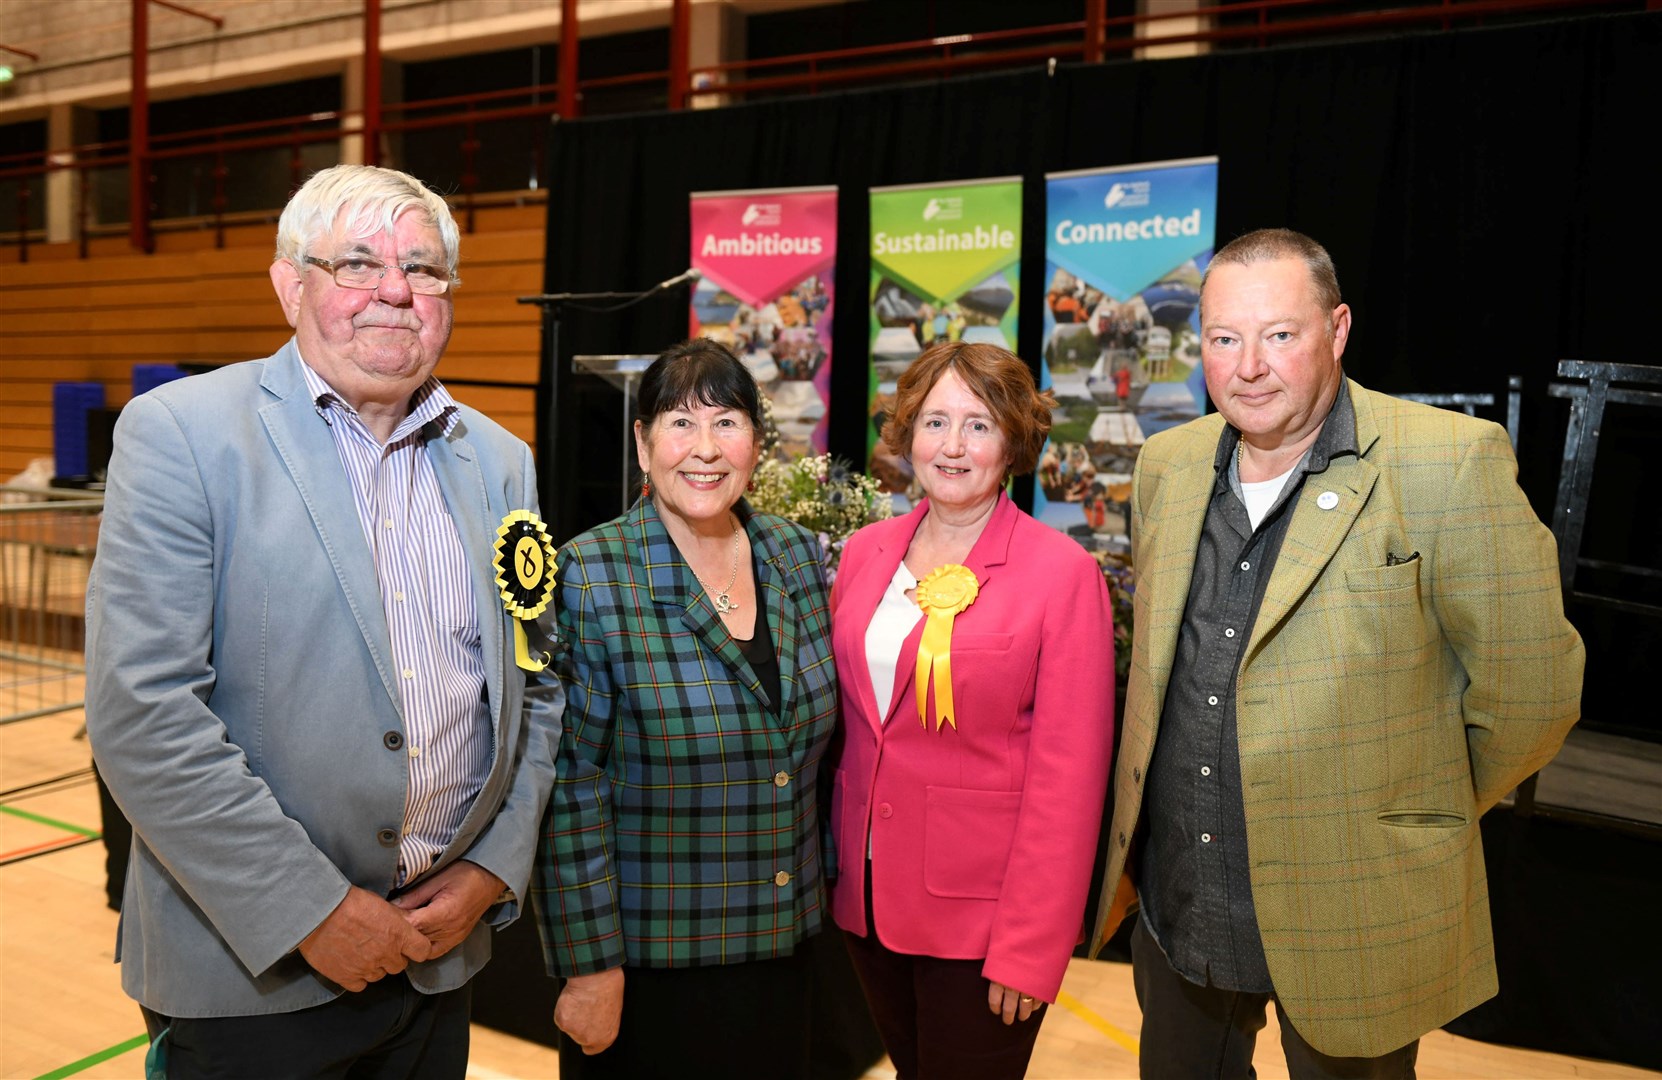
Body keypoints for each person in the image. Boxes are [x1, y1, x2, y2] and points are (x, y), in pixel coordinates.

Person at [84, 163, 564, 1077]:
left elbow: (535, 689)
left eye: (423, 270)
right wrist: (309, 910)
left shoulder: (502, 463)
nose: (394, 290)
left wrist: (493, 869)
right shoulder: (182, 433)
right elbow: (142, 713)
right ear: (288, 283)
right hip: (254, 973)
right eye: (355, 262)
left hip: (438, 961)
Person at [1089, 228, 1584, 1077]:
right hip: (1183, 902)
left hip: (1353, 908)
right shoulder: (1167, 466)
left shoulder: (1445, 464)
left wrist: (1410, 807)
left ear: (1338, 329)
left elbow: (1534, 692)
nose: (1248, 366)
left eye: (1280, 334)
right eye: (1223, 338)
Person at [531, 339, 840, 1078]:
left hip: (782, 948)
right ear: (642, 445)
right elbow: (570, 788)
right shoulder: (590, 574)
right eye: (679, 422)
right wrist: (589, 968)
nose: (705, 449)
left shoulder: (796, 557)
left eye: (727, 423)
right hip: (648, 963)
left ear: (756, 444)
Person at [828, 340, 1116, 1079]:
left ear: (1014, 441)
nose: (952, 446)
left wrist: (1030, 946)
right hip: (867, 903)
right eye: (934, 422)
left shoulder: (1063, 575)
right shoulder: (864, 554)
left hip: (983, 925)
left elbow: (1070, 781)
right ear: (906, 435)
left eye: (979, 425)